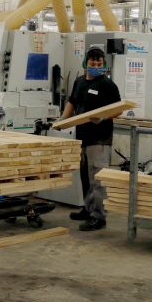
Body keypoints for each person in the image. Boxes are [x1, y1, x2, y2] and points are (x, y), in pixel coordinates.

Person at [58, 47, 121, 231]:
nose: (95, 66)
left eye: (99, 64)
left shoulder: (107, 85)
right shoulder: (79, 82)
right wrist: (62, 121)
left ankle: (98, 216)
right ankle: (88, 209)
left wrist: (104, 117)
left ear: (104, 65)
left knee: (97, 179)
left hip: (100, 139)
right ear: (86, 63)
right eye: (92, 63)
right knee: (85, 176)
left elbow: (118, 109)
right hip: (82, 137)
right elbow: (72, 102)